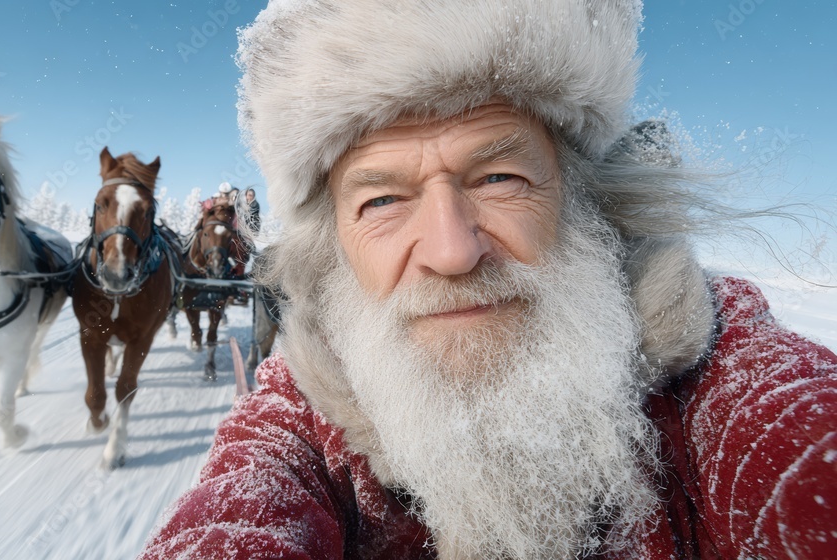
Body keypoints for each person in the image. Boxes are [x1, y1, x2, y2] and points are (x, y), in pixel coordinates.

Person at [139, 1, 837, 558]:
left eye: (500, 176)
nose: (451, 249)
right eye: (381, 199)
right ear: (334, 250)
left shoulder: (721, 374)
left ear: (582, 202)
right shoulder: (300, 426)